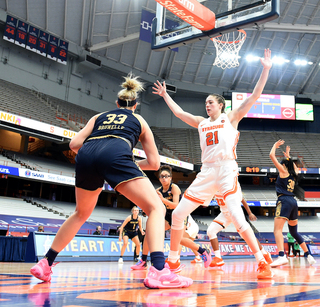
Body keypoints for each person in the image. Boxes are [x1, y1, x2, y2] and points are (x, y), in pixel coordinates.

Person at [30, 74, 192, 289]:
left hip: (87, 155)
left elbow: (73, 144)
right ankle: (160, 270)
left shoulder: (99, 116)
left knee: (81, 213)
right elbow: (154, 163)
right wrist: (124, 162)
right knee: (155, 208)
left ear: (117, 103)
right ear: (135, 106)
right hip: (116, 154)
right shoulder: (140, 120)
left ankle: (46, 263)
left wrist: (98, 158)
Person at [153, 49, 273, 280]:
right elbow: (179, 113)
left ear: (220, 105)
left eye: (210, 102)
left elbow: (255, 95)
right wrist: (166, 96)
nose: (206, 105)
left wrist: (265, 69)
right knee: (178, 214)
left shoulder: (232, 117)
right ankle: (173, 262)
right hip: (207, 171)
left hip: (227, 169)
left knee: (237, 217)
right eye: (205, 103)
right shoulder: (200, 122)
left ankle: (261, 261)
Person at [268, 140, 316, 267]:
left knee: (277, 230)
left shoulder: (283, 172)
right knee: (294, 232)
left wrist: (274, 146)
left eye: (283, 164)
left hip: (284, 200)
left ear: (284, 165)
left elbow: (271, 156)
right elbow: (295, 167)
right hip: (294, 202)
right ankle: (308, 255)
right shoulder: (294, 175)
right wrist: (288, 156)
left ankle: (281, 255)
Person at [207, 192, 272, 267]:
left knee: (247, 236)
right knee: (211, 231)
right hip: (225, 214)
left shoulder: (229, 185)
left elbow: (242, 199)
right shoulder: (214, 185)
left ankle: (264, 253)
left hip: (235, 213)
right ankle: (218, 258)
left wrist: (250, 213)